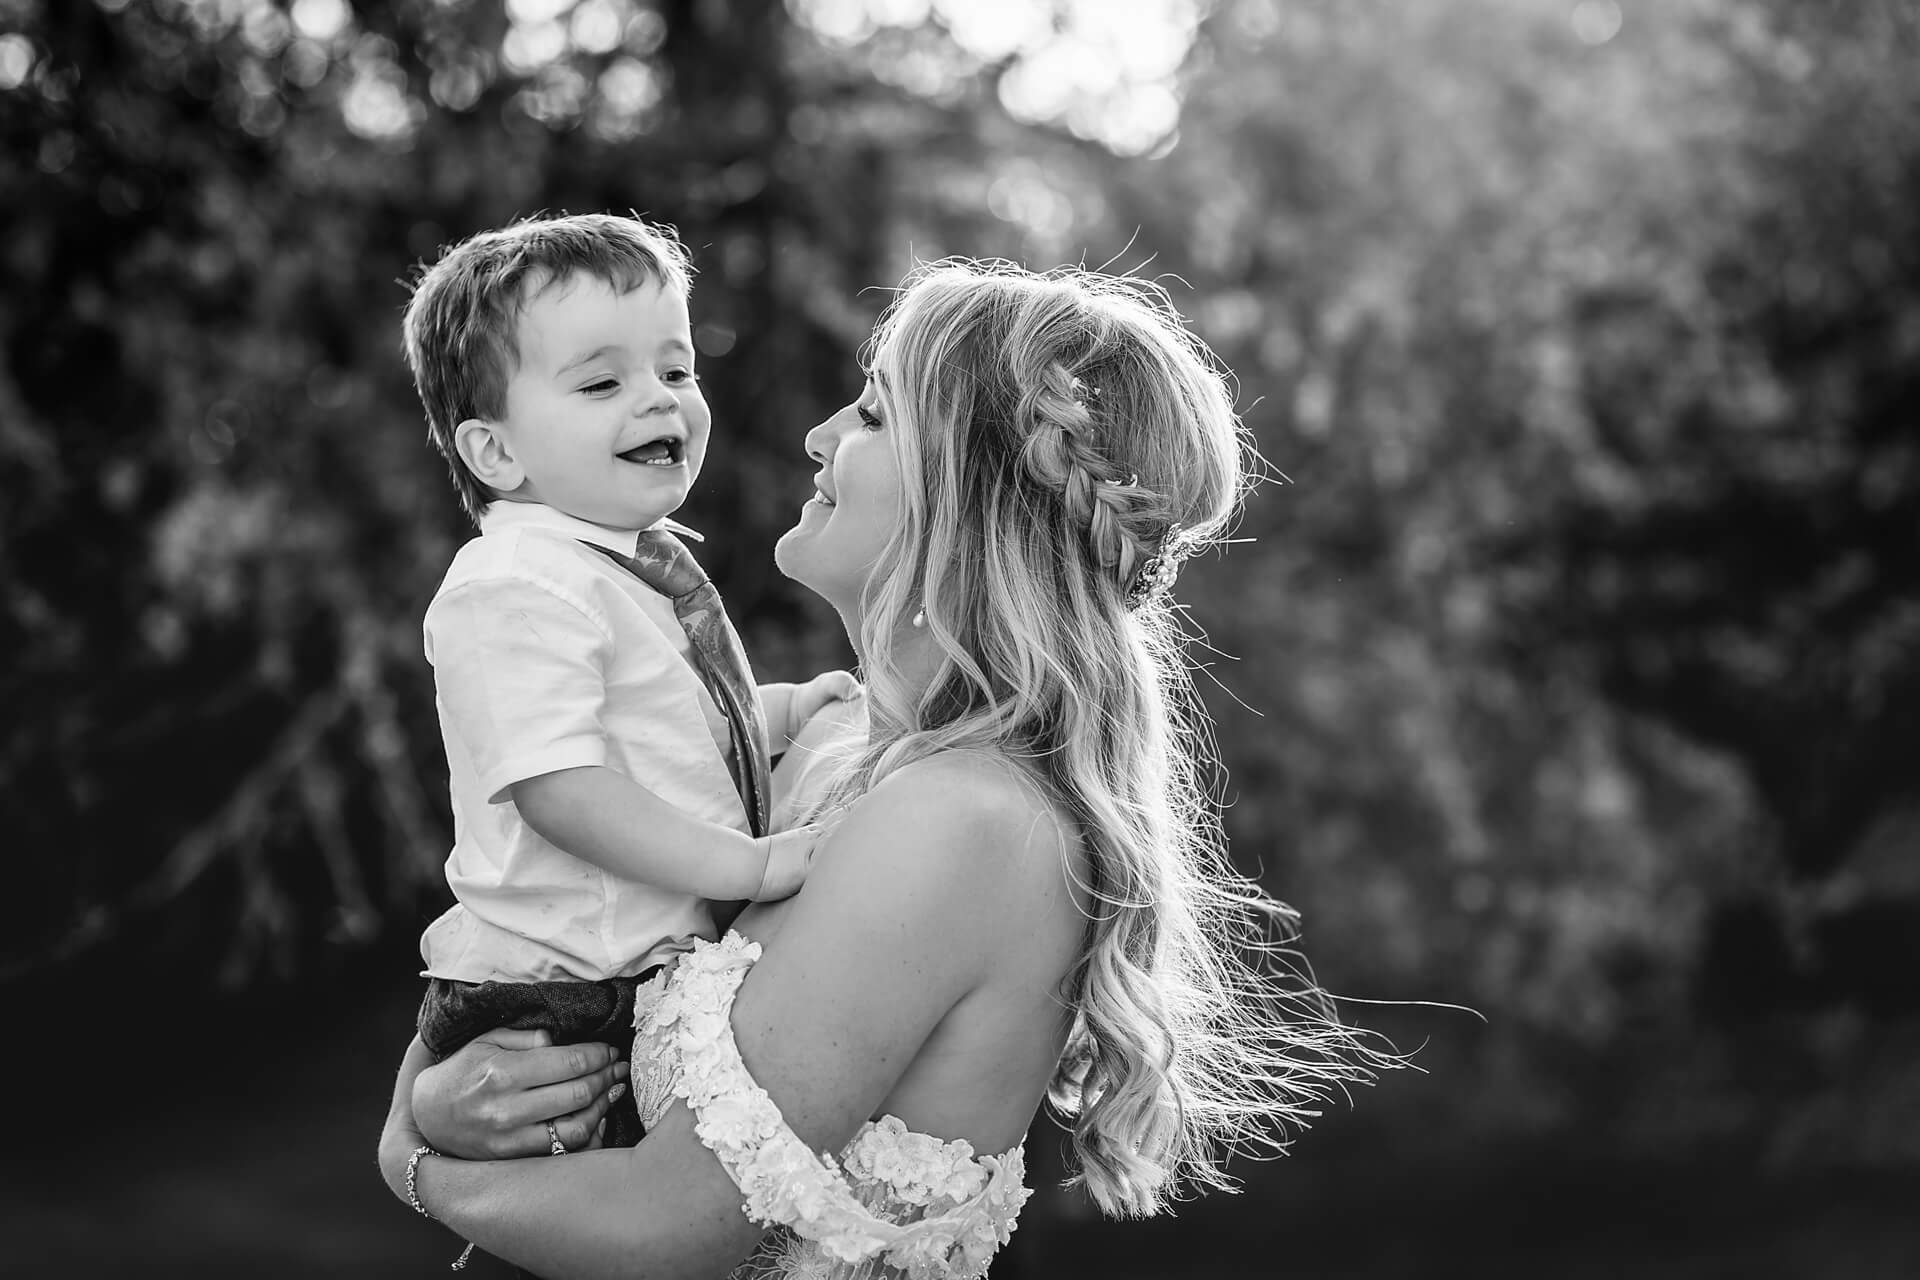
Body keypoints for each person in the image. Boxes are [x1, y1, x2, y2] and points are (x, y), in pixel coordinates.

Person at [379, 258, 1397, 1280]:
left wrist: (409, 1162)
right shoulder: (831, 740)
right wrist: (439, 1091)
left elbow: (668, 1223)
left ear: (965, 493)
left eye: (871, 413)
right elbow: (553, 921)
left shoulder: (960, 819)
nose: (819, 437)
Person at [400, 212, 858, 1150]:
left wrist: (781, 712)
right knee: (605, 1196)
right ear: (496, 452)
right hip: (564, 993)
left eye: (677, 371)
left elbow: (665, 733)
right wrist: (754, 866)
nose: (658, 401)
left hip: (623, 974)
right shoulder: (514, 584)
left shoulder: (615, 566)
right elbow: (561, 791)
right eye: (602, 383)